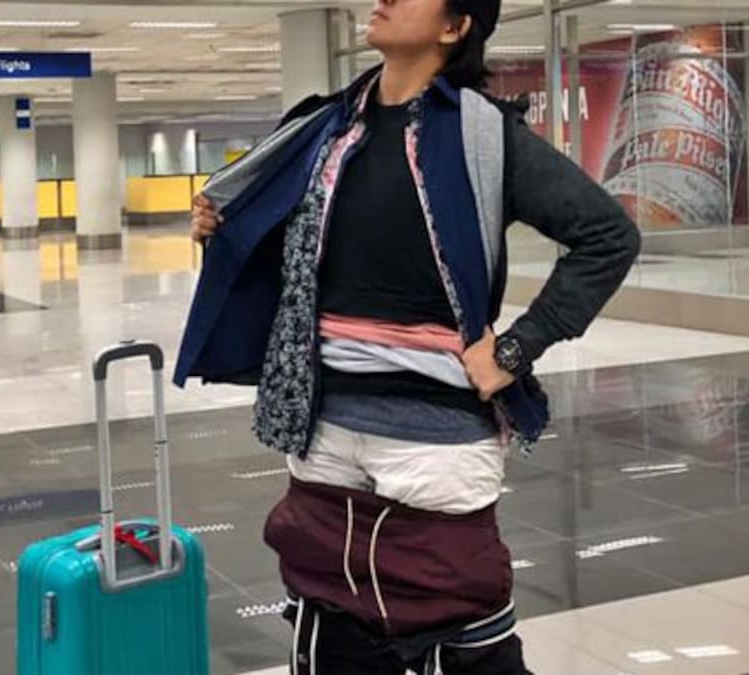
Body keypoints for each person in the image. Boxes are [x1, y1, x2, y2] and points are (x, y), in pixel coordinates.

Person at [181, 0, 641, 672]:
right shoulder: (326, 129)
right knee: (331, 615)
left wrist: (516, 349)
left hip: (435, 439)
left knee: (456, 623)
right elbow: (297, 255)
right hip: (324, 427)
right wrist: (224, 229)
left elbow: (608, 235)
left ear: (456, 28)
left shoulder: (483, 136)